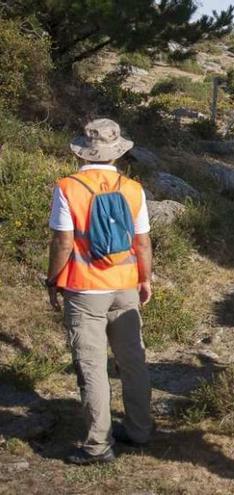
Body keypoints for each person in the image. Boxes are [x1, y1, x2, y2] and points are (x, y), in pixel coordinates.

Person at [46, 119, 153, 465]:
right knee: (133, 361)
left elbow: (63, 242)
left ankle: (97, 445)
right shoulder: (133, 188)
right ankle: (139, 430)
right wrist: (145, 279)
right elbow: (143, 242)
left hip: (84, 288)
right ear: (117, 150)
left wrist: (53, 280)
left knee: (92, 366)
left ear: (83, 151)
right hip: (126, 285)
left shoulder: (68, 187)